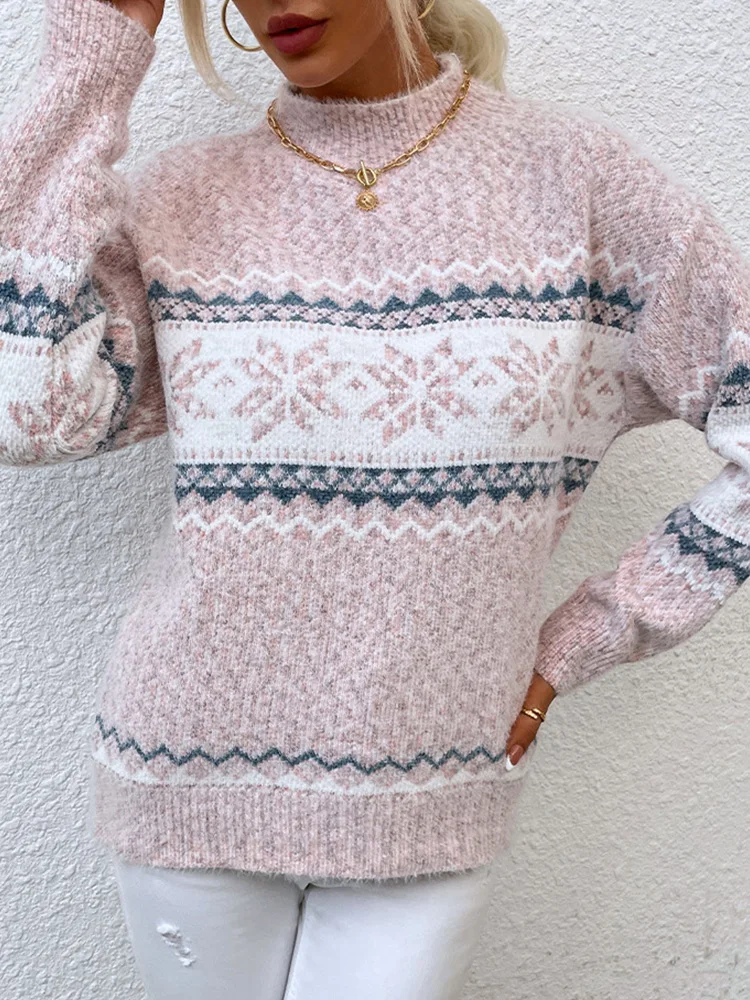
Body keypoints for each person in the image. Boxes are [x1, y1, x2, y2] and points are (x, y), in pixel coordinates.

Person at [1, 0, 748, 996]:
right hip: (190, 769)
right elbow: (27, 410)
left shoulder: (578, 186)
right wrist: (93, 55)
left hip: (431, 788)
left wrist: (599, 629)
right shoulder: (179, 199)